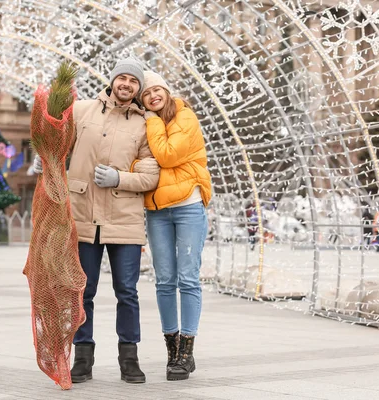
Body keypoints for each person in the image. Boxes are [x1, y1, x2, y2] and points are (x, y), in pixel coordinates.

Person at [33, 58, 159, 384]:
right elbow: (59, 144)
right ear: (113, 80)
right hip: (82, 217)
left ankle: (129, 358)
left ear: (138, 88)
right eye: (123, 78)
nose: (126, 85)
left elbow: (150, 174)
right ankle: (83, 358)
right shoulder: (83, 110)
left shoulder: (146, 124)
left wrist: (120, 178)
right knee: (82, 291)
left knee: (127, 292)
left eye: (133, 81)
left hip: (125, 220)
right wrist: (43, 158)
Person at [133, 71, 212, 381]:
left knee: (188, 278)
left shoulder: (184, 115)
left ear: (165, 91)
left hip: (188, 206)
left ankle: (187, 351)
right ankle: (173, 350)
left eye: (157, 90)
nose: (153, 96)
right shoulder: (144, 123)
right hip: (156, 210)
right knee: (165, 280)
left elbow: (166, 156)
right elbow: (135, 161)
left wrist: (151, 118)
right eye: (147, 93)